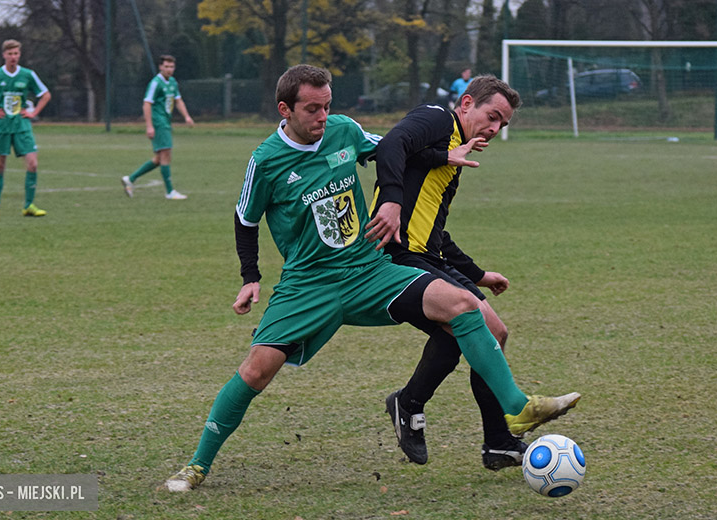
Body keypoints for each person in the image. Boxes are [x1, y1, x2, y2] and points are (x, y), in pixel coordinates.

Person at [164, 64, 579, 491]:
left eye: (327, 106)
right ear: (285, 110)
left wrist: (443, 157)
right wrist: (250, 276)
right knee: (256, 372)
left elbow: (394, 151)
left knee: (463, 304)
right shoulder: (266, 159)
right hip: (308, 285)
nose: (322, 117)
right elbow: (245, 218)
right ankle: (196, 465)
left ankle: (516, 408)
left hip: (368, 270)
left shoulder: (344, 130)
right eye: (312, 109)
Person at [373, 75, 540, 470]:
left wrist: (478, 274)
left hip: (429, 256)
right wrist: (391, 201)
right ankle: (410, 404)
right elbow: (390, 145)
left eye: (502, 124)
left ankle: (497, 443)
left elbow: (435, 230)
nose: (495, 128)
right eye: (492, 116)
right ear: (466, 104)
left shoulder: (451, 153)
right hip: (399, 255)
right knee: (464, 324)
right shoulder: (436, 118)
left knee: (494, 333)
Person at [0, 39, 51, 218]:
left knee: (33, 164)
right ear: (4, 55)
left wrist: (33, 112)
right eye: (10, 54)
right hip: (2, 126)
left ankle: (29, 206)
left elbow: (46, 95)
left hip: (22, 125)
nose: (13, 57)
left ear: (19, 55)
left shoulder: (28, 74)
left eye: (16, 53)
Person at [121, 55, 194, 200]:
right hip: (158, 123)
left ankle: (131, 179)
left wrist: (187, 116)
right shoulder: (156, 83)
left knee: (159, 158)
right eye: (166, 66)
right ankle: (170, 192)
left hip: (166, 121)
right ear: (160, 67)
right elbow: (147, 104)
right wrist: (149, 126)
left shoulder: (172, 82)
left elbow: (178, 100)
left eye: (171, 67)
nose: (169, 69)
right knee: (166, 154)